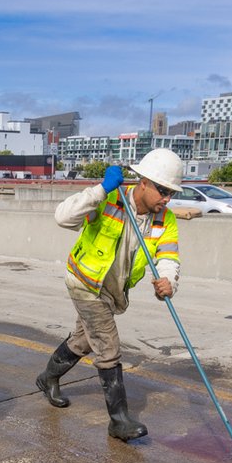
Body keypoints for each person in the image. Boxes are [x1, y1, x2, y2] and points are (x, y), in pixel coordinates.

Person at [35, 148, 183, 442]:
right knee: (107, 345)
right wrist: (100, 189)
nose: (167, 199)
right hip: (84, 283)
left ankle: (47, 378)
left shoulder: (165, 220)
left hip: (112, 291)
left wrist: (168, 281)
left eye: (171, 193)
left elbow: (169, 257)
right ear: (144, 182)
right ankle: (119, 420)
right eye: (163, 191)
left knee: (82, 341)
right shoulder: (108, 199)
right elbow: (63, 218)